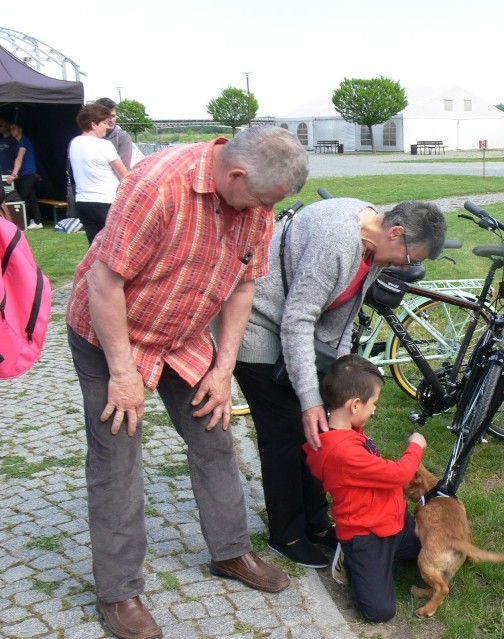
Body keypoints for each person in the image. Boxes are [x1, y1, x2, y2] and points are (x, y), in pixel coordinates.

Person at [65, 127, 309, 639]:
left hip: (182, 332)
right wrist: (123, 374)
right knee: (118, 458)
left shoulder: (254, 204)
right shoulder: (156, 185)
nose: (263, 213)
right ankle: (119, 591)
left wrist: (223, 370)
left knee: (214, 436)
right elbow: (103, 282)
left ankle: (230, 552)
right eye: (261, 202)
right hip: (112, 334)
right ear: (236, 175)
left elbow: (244, 284)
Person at [232, 197, 446, 569]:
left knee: (317, 435)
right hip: (259, 325)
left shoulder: (374, 249)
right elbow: (298, 319)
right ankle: (288, 534)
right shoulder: (337, 239)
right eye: (410, 259)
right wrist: (312, 400)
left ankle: (316, 525)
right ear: (395, 232)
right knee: (285, 433)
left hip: (298, 335)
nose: (407, 268)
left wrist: (341, 389)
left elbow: (342, 325)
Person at [304, 354, 426, 622]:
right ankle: (351, 559)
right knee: (379, 612)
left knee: (438, 549)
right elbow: (400, 474)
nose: (374, 410)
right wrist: (416, 445)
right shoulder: (341, 451)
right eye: (374, 404)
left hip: (395, 522)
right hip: (366, 536)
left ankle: (390, 553)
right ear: (355, 404)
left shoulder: (349, 430)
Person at [69, 104, 128, 244]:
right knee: (112, 248)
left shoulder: (74, 143)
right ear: (94, 124)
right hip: (105, 202)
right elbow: (125, 176)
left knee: (94, 248)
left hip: (83, 203)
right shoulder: (104, 145)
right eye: (104, 123)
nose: (107, 127)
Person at [5, 122, 42, 229]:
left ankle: (37, 221)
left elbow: (19, 158)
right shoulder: (18, 143)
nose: (12, 130)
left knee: (24, 198)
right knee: (30, 197)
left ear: (20, 129)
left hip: (30, 174)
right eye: (11, 128)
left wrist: (14, 174)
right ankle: (35, 221)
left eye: (14, 128)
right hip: (26, 174)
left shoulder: (24, 141)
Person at [95, 97, 143, 168]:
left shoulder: (122, 137)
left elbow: (124, 168)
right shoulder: (89, 137)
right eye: (107, 116)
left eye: (113, 116)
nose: (111, 120)